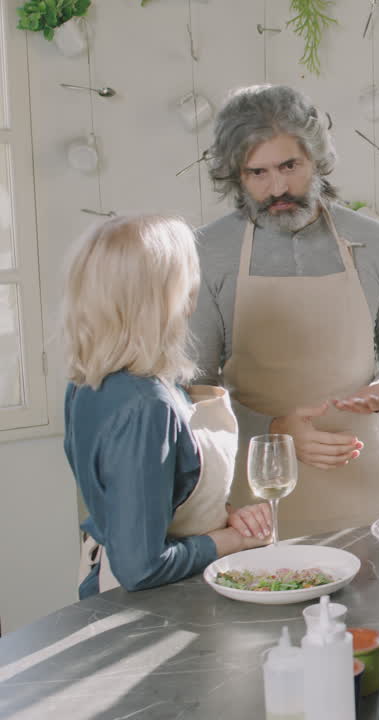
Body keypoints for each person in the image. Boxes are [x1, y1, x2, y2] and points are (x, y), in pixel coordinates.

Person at [192, 85, 379, 538]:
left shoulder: (372, 241)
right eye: (257, 172)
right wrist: (277, 429)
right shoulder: (210, 250)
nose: (277, 187)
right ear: (235, 176)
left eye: (289, 166)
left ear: (316, 159)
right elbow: (197, 390)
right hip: (257, 485)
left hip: (363, 476)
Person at [65, 215, 273, 598]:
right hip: (156, 605)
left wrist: (225, 515)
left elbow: (161, 493)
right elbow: (140, 568)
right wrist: (233, 541)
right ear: (166, 294)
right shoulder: (147, 405)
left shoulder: (90, 381)